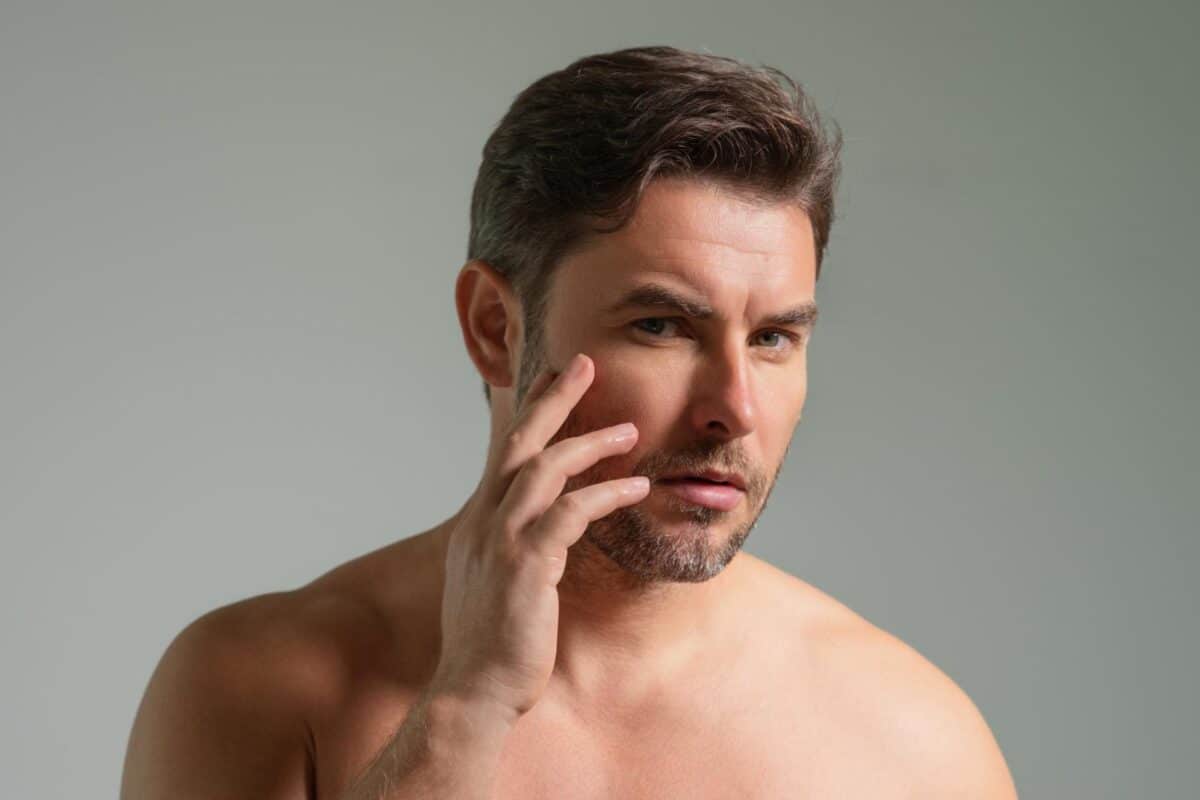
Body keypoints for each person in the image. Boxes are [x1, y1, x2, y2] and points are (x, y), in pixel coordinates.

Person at [120, 45, 1018, 799]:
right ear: (497, 330)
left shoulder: (912, 745)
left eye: (775, 336)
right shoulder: (258, 689)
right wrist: (464, 709)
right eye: (662, 326)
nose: (734, 408)